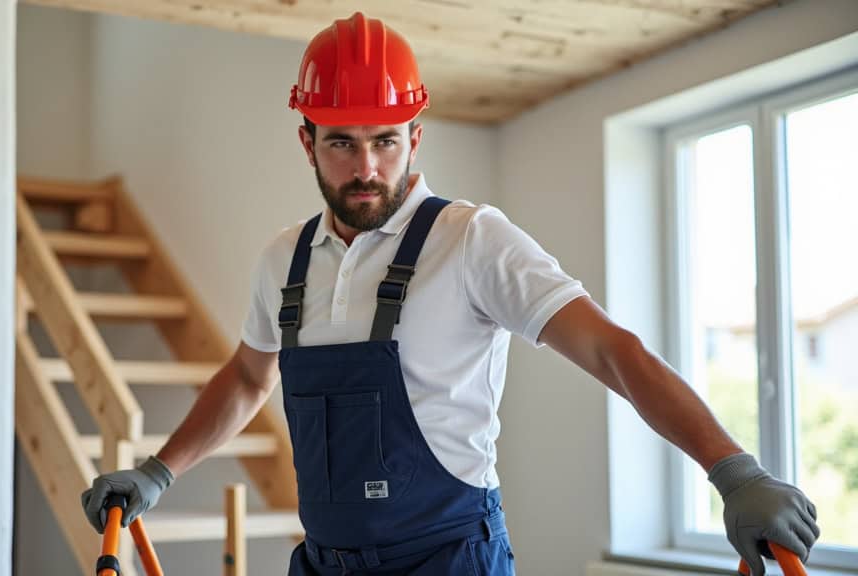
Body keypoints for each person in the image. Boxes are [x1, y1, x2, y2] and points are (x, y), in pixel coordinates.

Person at [81, 12, 819, 576]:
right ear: (306, 141)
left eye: (386, 140)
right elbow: (248, 376)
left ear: (416, 134)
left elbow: (611, 351)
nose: (366, 166)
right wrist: (156, 474)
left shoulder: (472, 240)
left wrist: (734, 471)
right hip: (326, 559)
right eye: (341, 142)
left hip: (450, 559)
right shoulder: (285, 258)